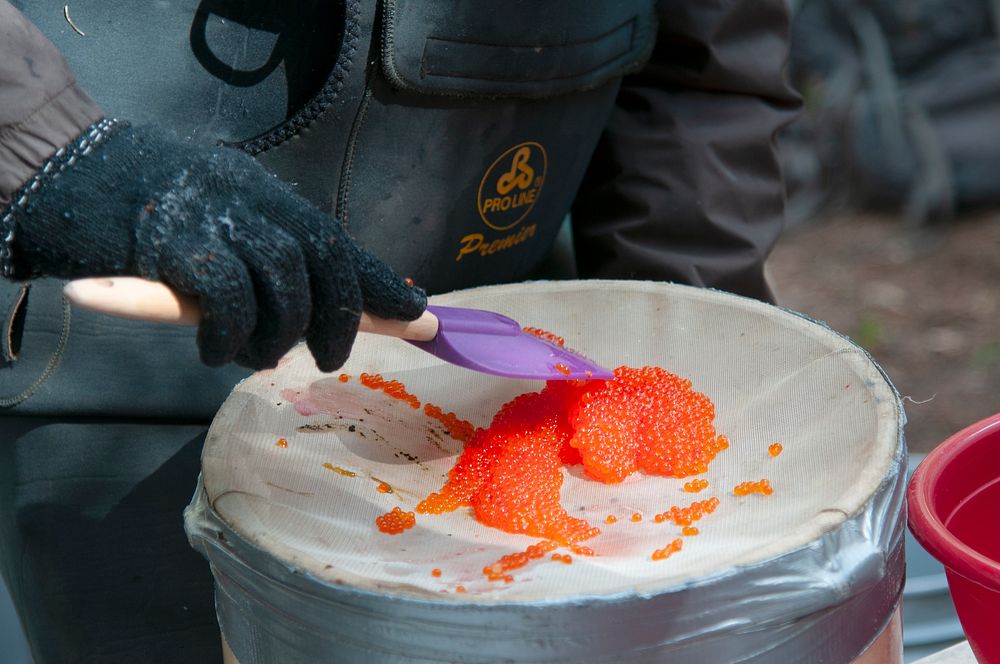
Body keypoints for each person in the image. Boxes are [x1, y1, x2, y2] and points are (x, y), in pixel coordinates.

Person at [0, 1, 798, 662]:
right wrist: (36, 139)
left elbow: (709, 59)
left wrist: (689, 320)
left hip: (499, 319)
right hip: (115, 361)